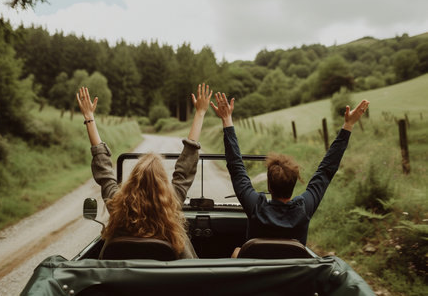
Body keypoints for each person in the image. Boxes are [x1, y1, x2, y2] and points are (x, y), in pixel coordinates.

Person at [210, 92, 369, 257]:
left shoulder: (256, 207)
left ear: (269, 186)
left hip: (256, 278)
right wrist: (348, 126)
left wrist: (227, 120)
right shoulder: (303, 208)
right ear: (294, 184)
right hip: (291, 277)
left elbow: (236, 167)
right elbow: (326, 171)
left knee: (237, 252)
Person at [76, 83, 213, 259]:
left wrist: (89, 117)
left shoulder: (117, 206)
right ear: (163, 186)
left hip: (121, 286)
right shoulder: (172, 202)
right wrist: (200, 113)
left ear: (132, 182)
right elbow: (186, 166)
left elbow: (104, 170)